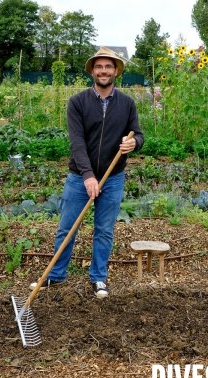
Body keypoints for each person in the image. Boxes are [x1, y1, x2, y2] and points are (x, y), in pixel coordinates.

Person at [30, 47, 144, 298]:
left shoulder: (127, 104)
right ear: (93, 71)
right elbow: (77, 143)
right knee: (67, 227)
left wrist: (134, 143)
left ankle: (98, 278)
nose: (104, 71)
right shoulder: (77, 102)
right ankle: (57, 275)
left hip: (113, 178)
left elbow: (139, 133)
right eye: (99, 66)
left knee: (104, 229)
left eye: (109, 67)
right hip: (79, 178)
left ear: (116, 71)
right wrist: (88, 176)